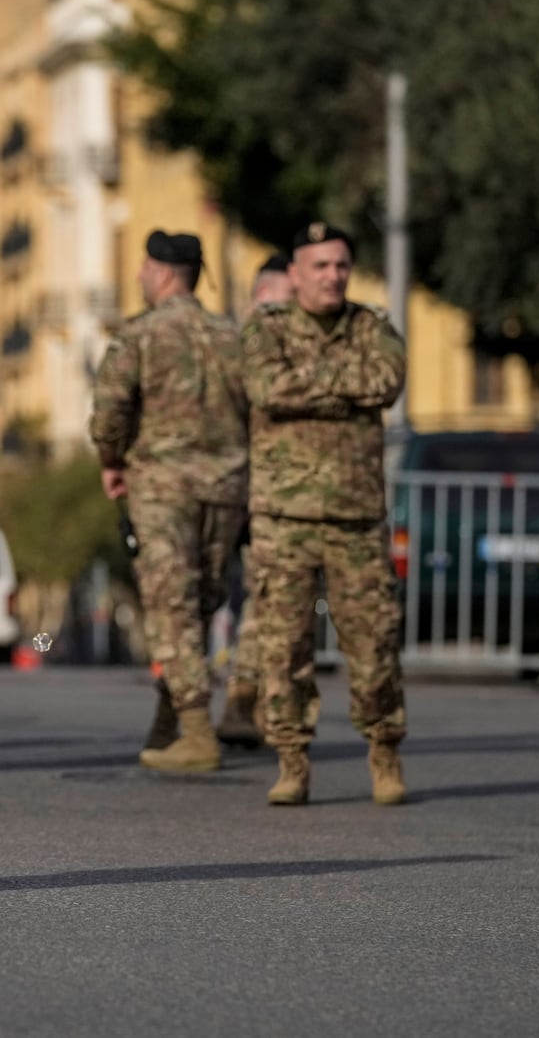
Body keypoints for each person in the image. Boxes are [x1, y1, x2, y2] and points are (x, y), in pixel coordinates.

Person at [241, 222, 407, 806]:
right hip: (282, 518)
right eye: (320, 266)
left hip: (355, 517)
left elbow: (386, 380)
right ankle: (291, 760)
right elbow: (266, 388)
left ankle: (384, 750)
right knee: (283, 646)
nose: (333, 275)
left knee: (375, 641)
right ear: (295, 274)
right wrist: (344, 386)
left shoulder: (373, 327)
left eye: (341, 265)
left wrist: (307, 383)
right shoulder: (265, 330)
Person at [90, 229, 249, 772]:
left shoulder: (140, 335)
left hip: (162, 486)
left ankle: (199, 733)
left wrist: (111, 460)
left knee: (171, 603)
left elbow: (110, 410)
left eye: (142, 269)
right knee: (201, 600)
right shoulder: (233, 335)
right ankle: (168, 721)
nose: (138, 277)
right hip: (226, 485)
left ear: (160, 273)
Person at [217, 253, 298, 749]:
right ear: (259, 298)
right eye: (281, 303)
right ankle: (194, 708)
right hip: (231, 490)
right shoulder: (233, 349)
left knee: (268, 598)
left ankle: (248, 700)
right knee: (201, 599)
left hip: (269, 492)